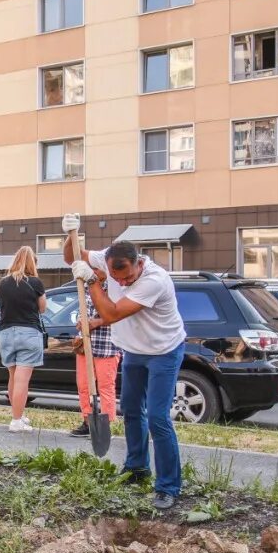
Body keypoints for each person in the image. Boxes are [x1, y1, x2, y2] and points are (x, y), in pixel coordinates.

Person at [64, 215, 186, 510]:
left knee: (157, 417)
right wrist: (69, 234)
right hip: (133, 351)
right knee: (131, 410)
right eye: (117, 279)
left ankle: (168, 485)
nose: (123, 282)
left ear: (139, 263)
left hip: (163, 351)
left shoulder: (154, 280)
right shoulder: (107, 259)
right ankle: (136, 468)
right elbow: (72, 256)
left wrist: (93, 281)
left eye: (127, 277)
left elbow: (112, 314)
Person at [0, 246, 47, 433]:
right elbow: (42, 308)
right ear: (32, 262)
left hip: (6, 333)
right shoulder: (35, 283)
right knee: (22, 381)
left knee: (13, 377)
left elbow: (2, 307)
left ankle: (17, 414)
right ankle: (16, 421)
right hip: (28, 333)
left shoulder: (3, 284)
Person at [71, 281, 120, 439]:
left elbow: (119, 314)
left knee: (106, 386)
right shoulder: (85, 285)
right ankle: (87, 421)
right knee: (83, 385)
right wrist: (80, 321)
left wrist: (97, 322)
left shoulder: (114, 286)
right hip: (85, 343)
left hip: (107, 344)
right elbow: (82, 309)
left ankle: (106, 425)